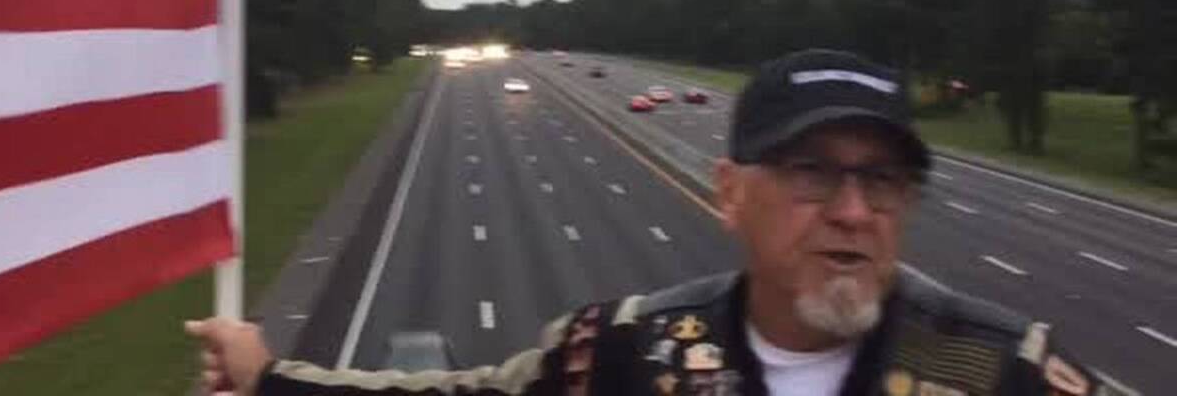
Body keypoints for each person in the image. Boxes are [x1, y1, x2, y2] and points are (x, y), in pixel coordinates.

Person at [186, 49, 1133, 395]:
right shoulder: (626, 354)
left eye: (883, 182)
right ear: (730, 191)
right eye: (812, 173)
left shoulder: (1005, 368)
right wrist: (272, 378)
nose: (853, 212)